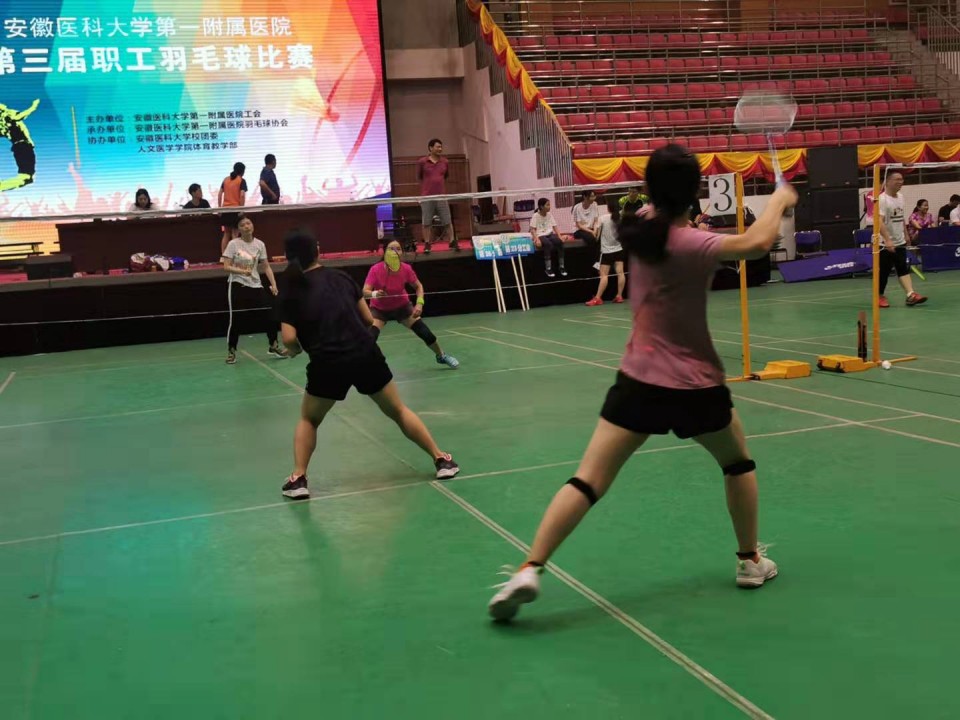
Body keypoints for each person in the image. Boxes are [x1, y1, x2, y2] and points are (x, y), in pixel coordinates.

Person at [487, 144, 799, 622]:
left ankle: (529, 569)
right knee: (738, 464)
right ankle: (749, 561)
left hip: (638, 381)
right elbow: (758, 243)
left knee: (587, 480)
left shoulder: (641, 229)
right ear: (693, 194)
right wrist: (779, 200)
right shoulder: (692, 243)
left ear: (651, 191)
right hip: (696, 386)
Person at [278, 228, 460, 499]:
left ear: (288, 257)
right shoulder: (341, 277)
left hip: (327, 362)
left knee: (309, 419)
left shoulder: (291, 289)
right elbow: (367, 319)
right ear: (317, 250)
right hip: (365, 354)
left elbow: (289, 339)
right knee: (398, 411)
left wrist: (295, 350)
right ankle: (442, 460)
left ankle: (298, 479)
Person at [362, 240, 460, 369]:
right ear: (385, 252)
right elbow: (365, 292)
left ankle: (441, 355)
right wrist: (375, 294)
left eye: (398, 249)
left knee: (425, 333)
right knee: (370, 337)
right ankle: (363, 364)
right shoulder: (375, 269)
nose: (395, 252)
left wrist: (419, 304)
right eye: (391, 249)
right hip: (379, 310)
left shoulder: (406, 269)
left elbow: (418, 286)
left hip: (402, 307)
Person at [221, 214, 287, 364]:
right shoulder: (233, 244)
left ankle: (273, 346)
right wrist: (242, 271)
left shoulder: (260, 244)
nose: (246, 226)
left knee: (269, 315)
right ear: (238, 229)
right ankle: (231, 351)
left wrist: (274, 284)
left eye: (248, 223)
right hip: (237, 284)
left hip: (256, 284)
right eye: (243, 225)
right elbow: (226, 266)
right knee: (236, 320)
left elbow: (266, 266)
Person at [877, 172, 927, 308]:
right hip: (883, 243)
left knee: (902, 268)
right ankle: (879, 296)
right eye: (897, 179)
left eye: (902, 179)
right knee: (884, 271)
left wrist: (905, 234)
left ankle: (911, 295)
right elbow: (879, 221)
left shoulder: (900, 197)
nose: (901, 182)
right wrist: (887, 240)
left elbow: (901, 217)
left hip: (900, 241)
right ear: (887, 181)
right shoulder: (882, 199)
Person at [416, 139, 457, 254]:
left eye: (441, 147)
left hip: (441, 196)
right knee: (426, 222)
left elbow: (445, 176)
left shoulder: (445, 162)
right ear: (430, 148)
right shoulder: (422, 162)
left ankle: (452, 241)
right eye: (438, 147)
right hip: (427, 197)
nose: (440, 149)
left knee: (447, 220)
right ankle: (427, 243)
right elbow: (419, 177)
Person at [585, 199, 625, 306]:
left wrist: (593, 231)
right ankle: (619, 296)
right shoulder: (620, 218)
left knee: (604, 276)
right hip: (619, 249)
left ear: (608, 208)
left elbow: (596, 236)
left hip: (606, 251)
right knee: (620, 273)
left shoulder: (603, 218)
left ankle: (598, 298)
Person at [0, 99, 39, 192]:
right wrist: (33, 107)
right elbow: (19, 117)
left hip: (18, 148)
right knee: (27, 177)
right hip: (24, 146)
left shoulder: (3, 125)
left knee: (26, 178)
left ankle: (2, 186)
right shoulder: (7, 116)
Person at [530, 198, 566, 277]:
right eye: (547, 205)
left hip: (550, 234)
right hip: (540, 235)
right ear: (541, 206)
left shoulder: (549, 214)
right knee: (547, 244)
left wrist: (560, 236)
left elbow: (555, 226)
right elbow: (532, 229)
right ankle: (548, 268)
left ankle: (561, 266)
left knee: (559, 242)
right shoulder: (535, 216)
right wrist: (537, 239)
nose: (549, 206)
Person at [218, 162, 247, 253]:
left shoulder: (226, 179)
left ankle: (223, 255)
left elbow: (220, 193)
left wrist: (219, 208)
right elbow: (242, 195)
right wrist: (241, 209)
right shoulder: (241, 180)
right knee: (235, 234)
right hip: (235, 210)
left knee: (226, 234)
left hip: (225, 210)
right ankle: (235, 256)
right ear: (242, 171)